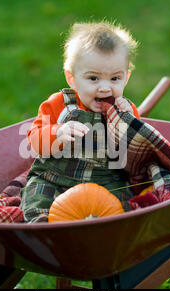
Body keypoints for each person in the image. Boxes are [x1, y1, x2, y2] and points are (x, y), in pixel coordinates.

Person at [20, 21, 140, 223]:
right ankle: (42, 231)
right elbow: (34, 142)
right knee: (36, 193)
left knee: (124, 205)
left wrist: (129, 122)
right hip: (54, 177)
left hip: (105, 182)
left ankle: (116, 233)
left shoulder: (125, 110)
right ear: (72, 78)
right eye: (93, 78)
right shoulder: (59, 104)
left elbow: (135, 153)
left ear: (126, 78)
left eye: (115, 79)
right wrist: (57, 133)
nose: (104, 88)